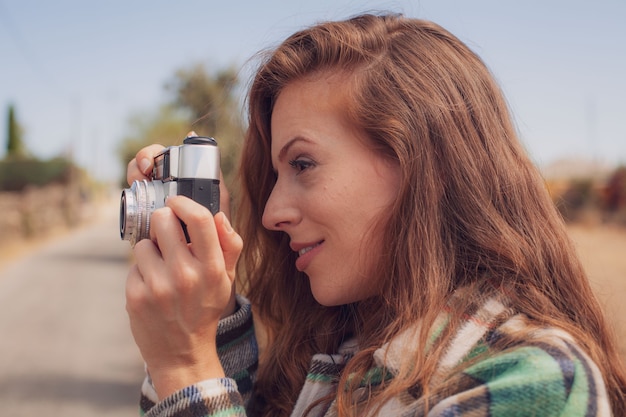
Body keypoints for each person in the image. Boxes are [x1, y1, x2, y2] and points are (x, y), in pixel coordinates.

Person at [124, 13, 626, 417]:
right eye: (276, 176)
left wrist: (187, 369)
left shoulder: (533, 383)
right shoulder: (339, 352)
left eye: (302, 164)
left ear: (424, 167)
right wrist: (206, 321)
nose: (273, 212)